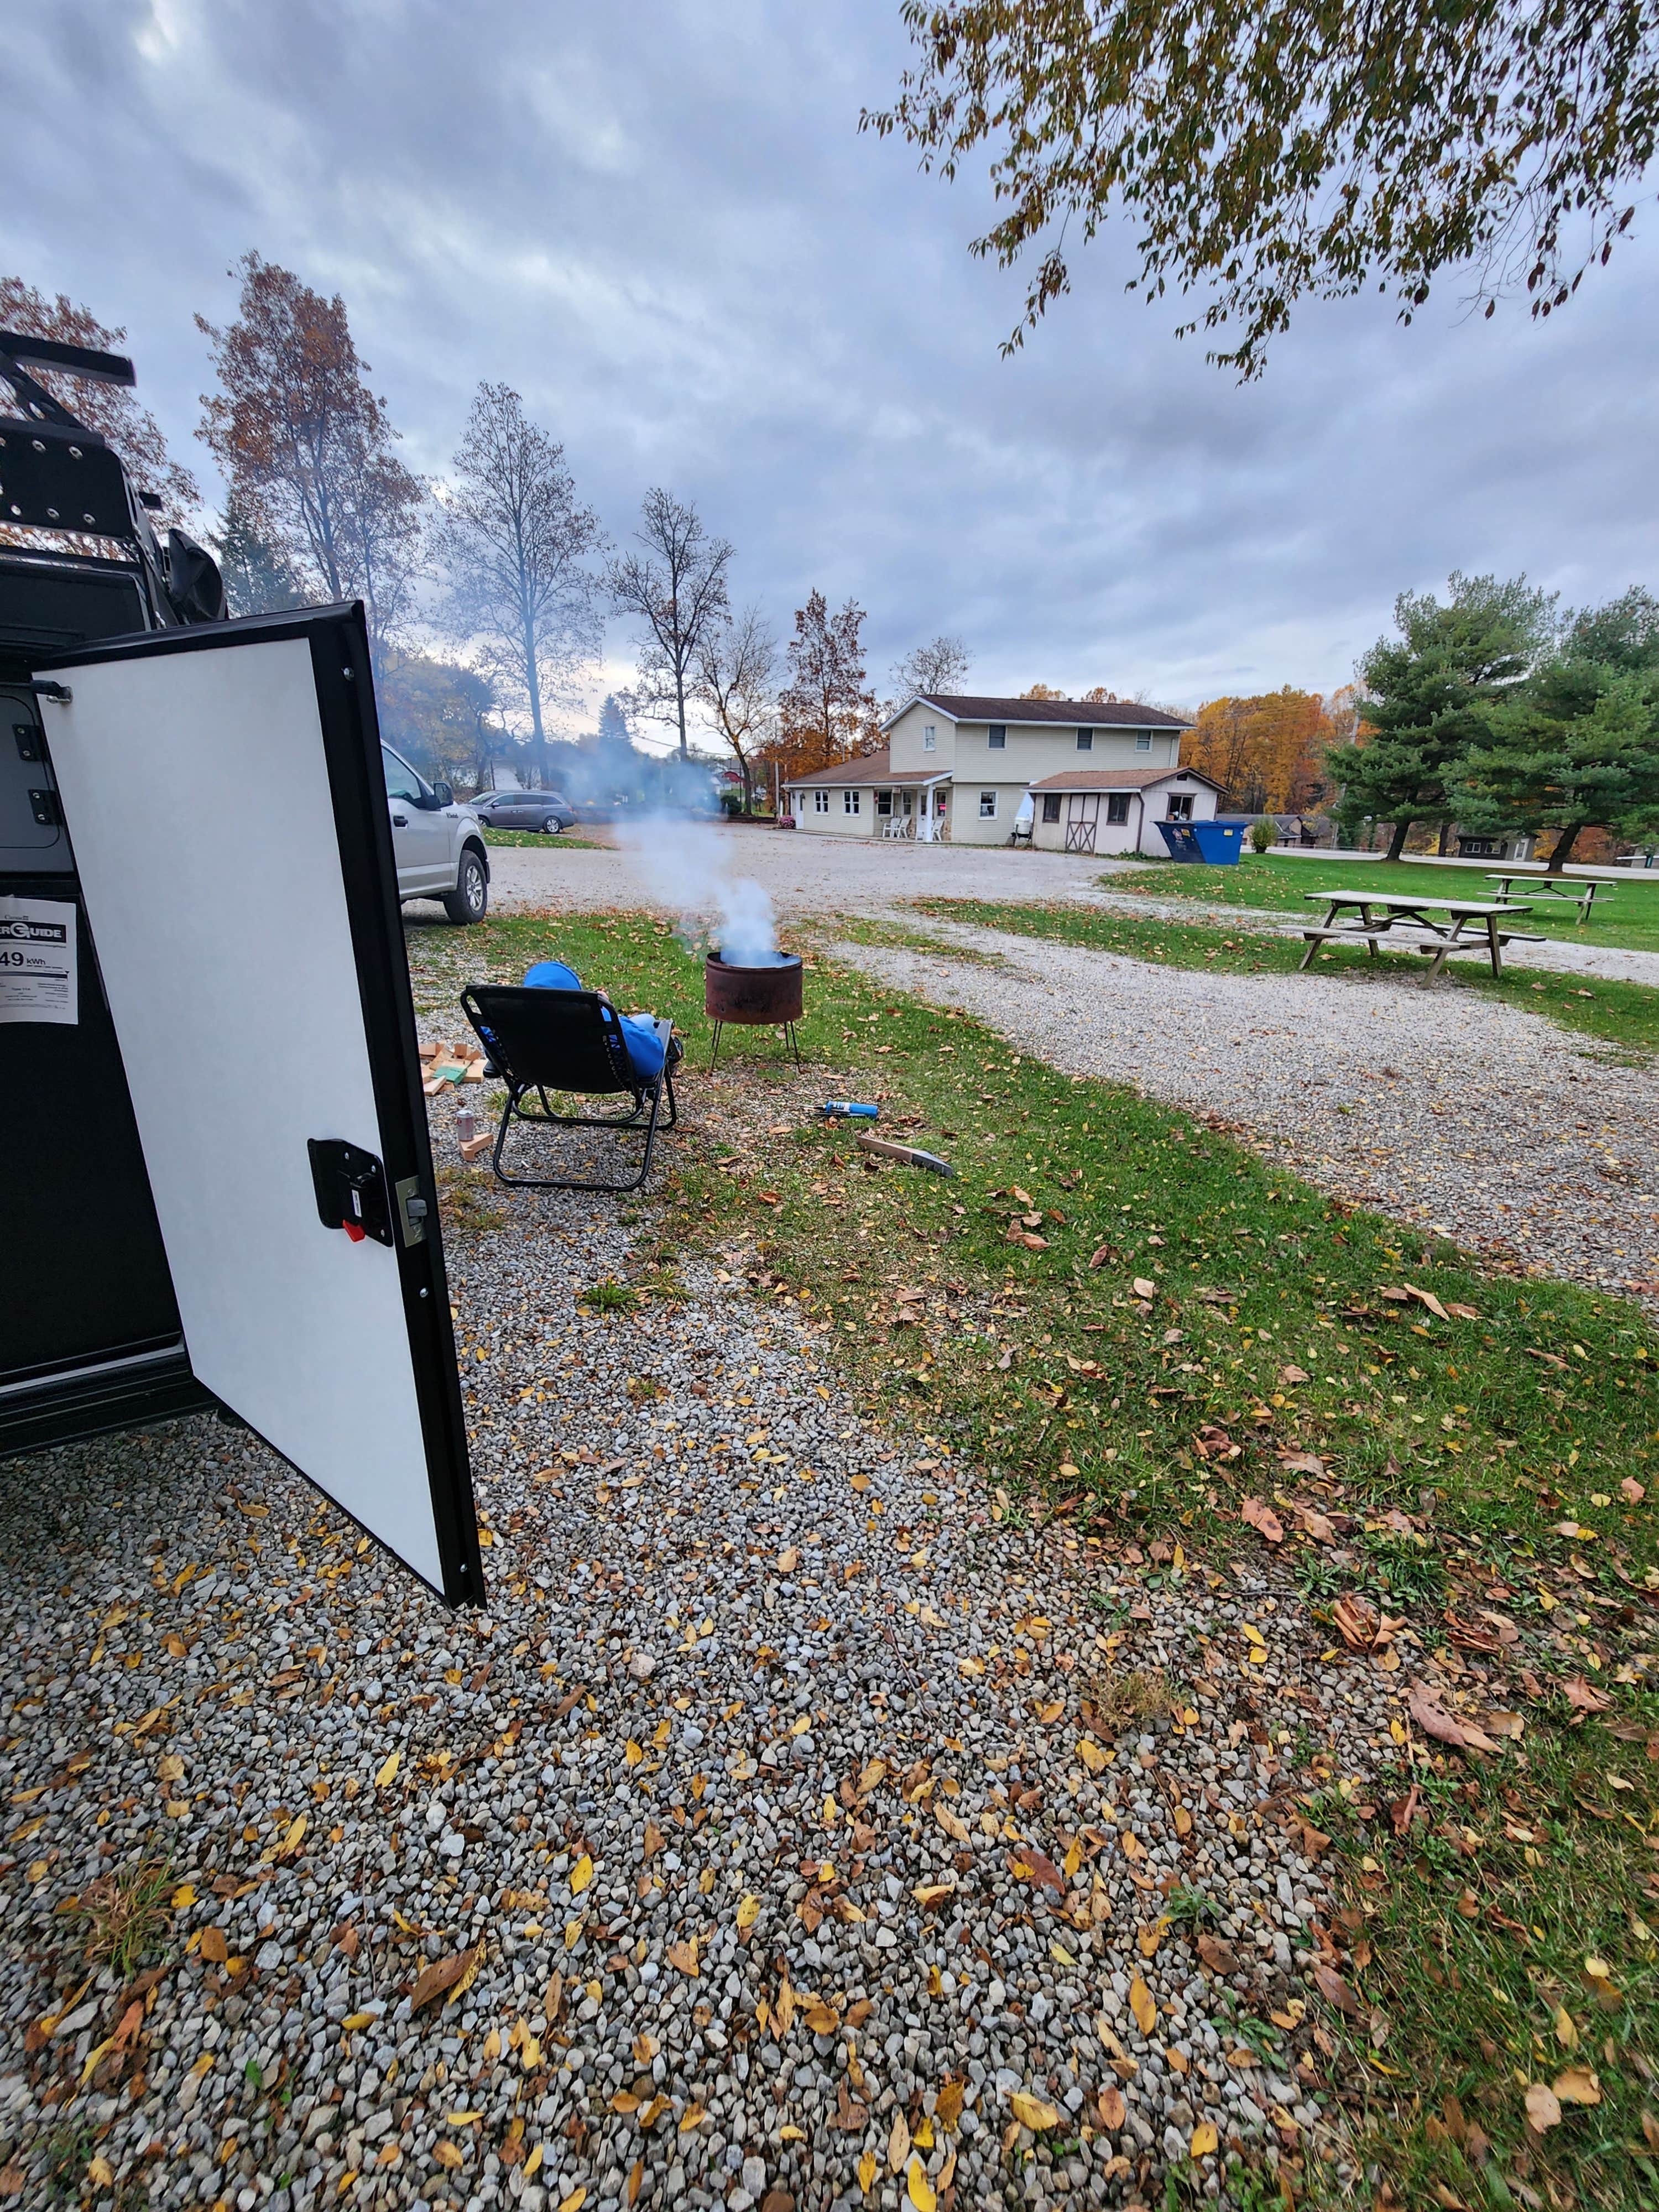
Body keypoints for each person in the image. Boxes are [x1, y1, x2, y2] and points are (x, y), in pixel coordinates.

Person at [521, 959, 677, 1081]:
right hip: (598, 1071)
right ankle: (673, 1053)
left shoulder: (514, 1023)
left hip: (544, 1069)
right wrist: (603, 1010)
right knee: (648, 1021)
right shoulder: (600, 1020)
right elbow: (653, 1063)